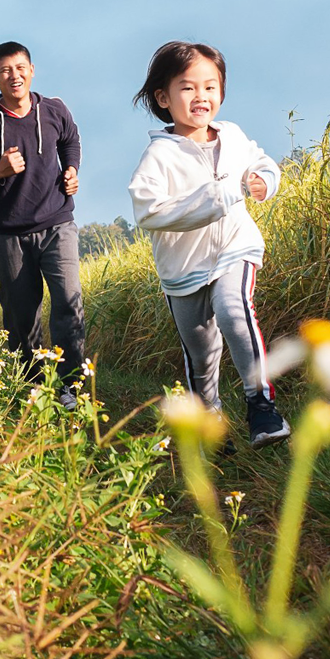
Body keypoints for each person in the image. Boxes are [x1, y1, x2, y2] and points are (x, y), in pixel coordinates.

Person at [128, 40, 291, 449]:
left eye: (210, 86)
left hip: (236, 248)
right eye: (187, 87)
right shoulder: (158, 155)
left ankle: (261, 405)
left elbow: (261, 162)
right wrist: (219, 196)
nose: (200, 96)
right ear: (163, 98)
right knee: (201, 356)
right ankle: (210, 424)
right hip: (183, 270)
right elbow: (148, 212)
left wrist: (265, 180)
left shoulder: (232, 135)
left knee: (234, 312)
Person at [0, 41, 85, 408]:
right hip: (9, 235)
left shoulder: (54, 110)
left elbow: (70, 140)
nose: (15, 75)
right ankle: (33, 388)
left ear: (32, 70)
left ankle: (73, 387)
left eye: (20, 67)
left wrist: (72, 169)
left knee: (69, 303)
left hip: (58, 224)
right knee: (21, 318)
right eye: (5, 70)